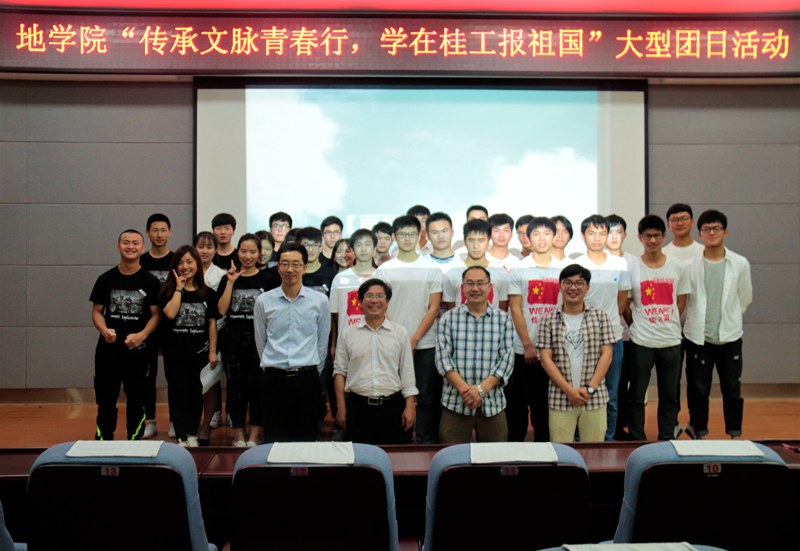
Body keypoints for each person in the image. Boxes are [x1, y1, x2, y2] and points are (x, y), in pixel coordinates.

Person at [683, 210, 752, 440]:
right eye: (706, 229)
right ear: (699, 233)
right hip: (698, 337)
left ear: (725, 232)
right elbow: (686, 300)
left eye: (716, 228)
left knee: (732, 388)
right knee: (698, 389)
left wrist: (730, 318)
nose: (711, 233)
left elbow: (745, 297)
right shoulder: (690, 265)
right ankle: (699, 432)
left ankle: (734, 434)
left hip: (730, 337)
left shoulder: (739, 263)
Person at [374, 215, 443, 443]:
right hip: (391, 342)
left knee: (426, 396)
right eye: (402, 234)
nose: (407, 238)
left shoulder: (431, 268)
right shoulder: (385, 270)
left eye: (411, 234)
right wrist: (400, 338)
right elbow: (381, 305)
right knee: (395, 394)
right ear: (395, 237)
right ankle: (399, 439)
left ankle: (424, 440)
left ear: (419, 236)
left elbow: (434, 307)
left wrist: (414, 338)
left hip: (425, 343)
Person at [253, 242, 331, 442]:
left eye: (296, 264)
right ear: (278, 267)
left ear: (304, 267)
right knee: (274, 440)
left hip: (307, 380)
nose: (290, 269)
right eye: (285, 264)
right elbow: (261, 342)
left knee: (306, 440)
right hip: (274, 380)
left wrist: (312, 370)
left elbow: (322, 343)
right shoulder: (264, 301)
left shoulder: (320, 301)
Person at [90, 229, 161, 440]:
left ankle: (134, 443)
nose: (130, 247)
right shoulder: (105, 279)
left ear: (143, 247)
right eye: (126, 242)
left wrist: (142, 335)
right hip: (108, 352)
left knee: (137, 400)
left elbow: (156, 315)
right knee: (105, 401)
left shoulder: (150, 281)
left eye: (135, 243)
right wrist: (104, 329)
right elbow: (97, 312)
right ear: (118, 246)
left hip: (138, 353)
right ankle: (103, 442)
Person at [625, 215, 691, 441]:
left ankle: (666, 437)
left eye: (656, 235)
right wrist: (638, 324)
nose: (652, 240)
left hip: (671, 340)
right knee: (636, 393)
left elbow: (681, 301)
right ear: (640, 238)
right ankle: (637, 438)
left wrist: (667, 321)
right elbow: (626, 304)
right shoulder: (631, 267)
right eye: (647, 236)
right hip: (641, 341)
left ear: (664, 236)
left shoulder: (678, 266)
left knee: (670, 394)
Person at [333, 279, 418, 444]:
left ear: (387, 302)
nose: (374, 300)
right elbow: (339, 372)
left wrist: (410, 406)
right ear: (360, 301)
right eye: (369, 296)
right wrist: (341, 407)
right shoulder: (348, 333)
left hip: (391, 407)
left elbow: (407, 373)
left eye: (380, 296)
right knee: (360, 456)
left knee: (392, 456)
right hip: (358, 407)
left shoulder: (400, 333)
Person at [435, 266, 514, 443]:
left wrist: (480, 391)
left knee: (495, 457)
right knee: (452, 456)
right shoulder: (448, 318)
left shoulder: (503, 319)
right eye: (470, 283)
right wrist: (467, 392)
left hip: (492, 403)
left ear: (490, 287)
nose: (475, 288)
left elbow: (506, 361)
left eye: (480, 283)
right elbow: (443, 360)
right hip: (455, 402)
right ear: (462, 288)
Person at [538, 264, 615, 443]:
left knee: (594, 453)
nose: (573, 288)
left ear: (587, 287)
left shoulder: (600, 317)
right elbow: (545, 360)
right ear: (560, 286)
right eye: (568, 282)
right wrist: (569, 391)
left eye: (579, 283)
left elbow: (607, 355)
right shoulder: (549, 320)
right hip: (560, 398)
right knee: (561, 453)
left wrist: (590, 388)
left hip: (594, 398)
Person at [505, 216, 565, 442]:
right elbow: (515, 308)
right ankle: (515, 451)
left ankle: (544, 450)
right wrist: (528, 344)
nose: (542, 239)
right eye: (536, 234)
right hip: (523, 350)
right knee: (518, 405)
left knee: (545, 407)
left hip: (554, 352)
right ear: (528, 238)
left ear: (554, 237)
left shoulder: (564, 269)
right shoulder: (519, 269)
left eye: (547, 233)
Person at [217, 233, 278, 447]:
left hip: (260, 340)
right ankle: (238, 434)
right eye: (243, 251)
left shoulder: (269, 280)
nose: (248, 256)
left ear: (260, 253)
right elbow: (222, 310)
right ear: (237, 252)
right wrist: (231, 283)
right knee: (235, 388)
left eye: (253, 251)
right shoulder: (228, 278)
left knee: (257, 388)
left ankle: (254, 434)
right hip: (233, 341)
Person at [575, 215, 631, 441]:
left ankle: (608, 438)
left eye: (602, 233)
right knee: (580, 390)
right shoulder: (576, 265)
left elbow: (622, 299)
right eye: (591, 233)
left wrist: (607, 325)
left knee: (611, 394)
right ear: (583, 236)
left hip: (612, 339)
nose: (597, 238)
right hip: (581, 340)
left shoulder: (619, 264)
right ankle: (579, 439)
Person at [159, 246, 219, 447]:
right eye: (180, 262)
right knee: (177, 394)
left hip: (199, 354)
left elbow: (212, 324)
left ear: (197, 264)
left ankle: (192, 432)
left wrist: (212, 352)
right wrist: (178, 288)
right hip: (174, 354)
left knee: (195, 394)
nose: (185, 266)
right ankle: (180, 435)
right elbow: (170, 314)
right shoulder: (167, 291)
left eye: (189, 262)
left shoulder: (208, 294)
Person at [329, 229, 378, 431]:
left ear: (375, 248)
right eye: (359, 244)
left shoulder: (382, 276)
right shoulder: (340, 279)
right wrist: (334, 344)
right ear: (352, 249)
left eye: (368, 244)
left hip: (376, 342)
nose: (364, 249)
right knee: (345, 385)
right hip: (347, 343)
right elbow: (335, 317)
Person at [139, 213, 174, 439]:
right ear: (147, 233)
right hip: (147, 325)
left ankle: (175, 420)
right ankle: (149, 421)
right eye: (155, 230)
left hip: (172, 325)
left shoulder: (176, 260)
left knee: (173, 375)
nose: (159, 234)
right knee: (147, 376)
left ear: (170, 232)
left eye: (163, 230)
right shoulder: (141, 261)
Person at [193, 231, 228, 442]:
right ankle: (189, 423)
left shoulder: (222, 275)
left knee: (211, 380)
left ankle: (206, 424)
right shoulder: (187, 270)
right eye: (201, 246)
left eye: (209, 247)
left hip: (216, 332)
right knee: (190, 381)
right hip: (190, 332)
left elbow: (223, 308)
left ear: (215, 250)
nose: (204, 251)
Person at [443, 219, 508, 312]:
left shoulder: (501, 273)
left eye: (481, 240)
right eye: (471, 240)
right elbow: (451, 313)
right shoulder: (451, 274)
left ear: (488, 241)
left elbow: (502, 311)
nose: (476, 246)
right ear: (465, 242)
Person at [298, 227, 338, 296]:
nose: (310, 250)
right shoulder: (293, 274)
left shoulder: (332, 275)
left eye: (315, 245)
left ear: (321, 247)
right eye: (306, 245)